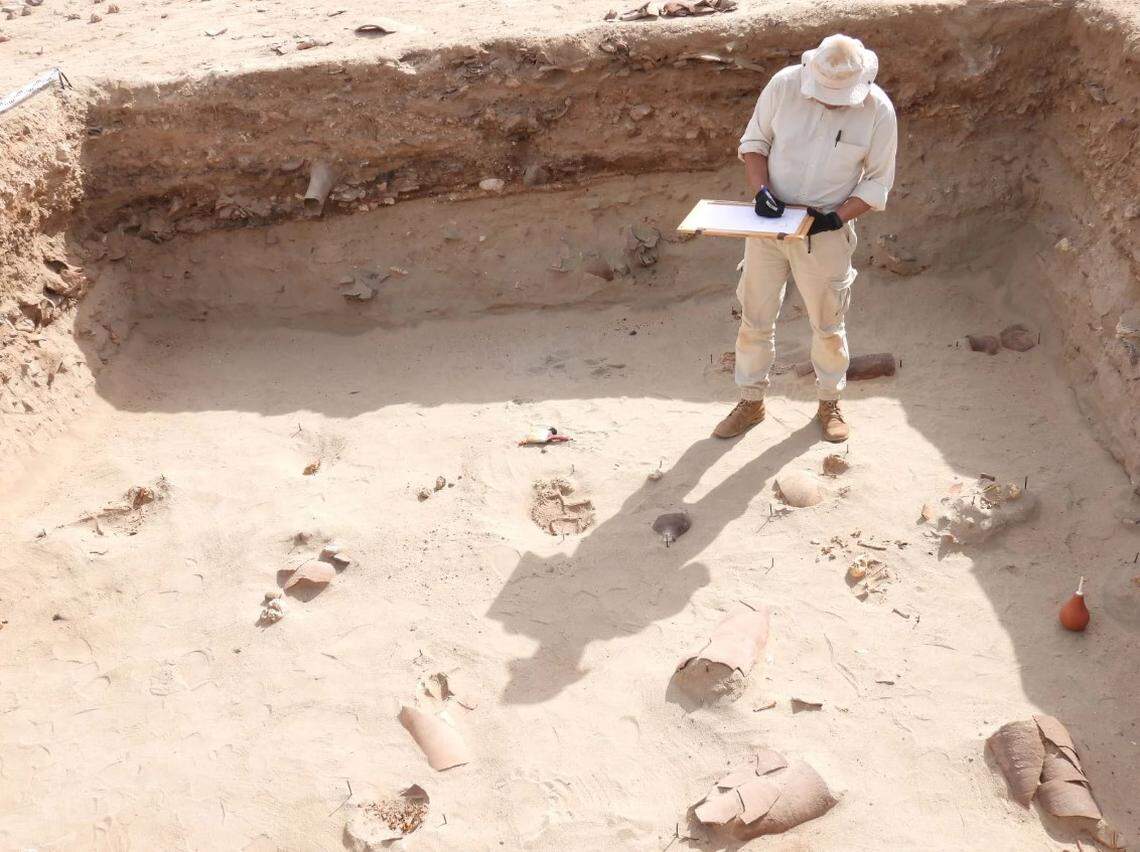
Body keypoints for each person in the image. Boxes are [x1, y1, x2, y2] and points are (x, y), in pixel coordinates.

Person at [714, 34, 898, 443]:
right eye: (826, 93)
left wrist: (834, 218)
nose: (832, 101)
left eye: (840, 96)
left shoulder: (877, 111)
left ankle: (829, 402)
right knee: (755, 316)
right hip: (768, 228)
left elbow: (877, 183)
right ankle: (750, 401)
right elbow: (755, 143)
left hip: (826, 233)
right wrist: (761, 190)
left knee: (828, 323)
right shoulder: (784, 85)